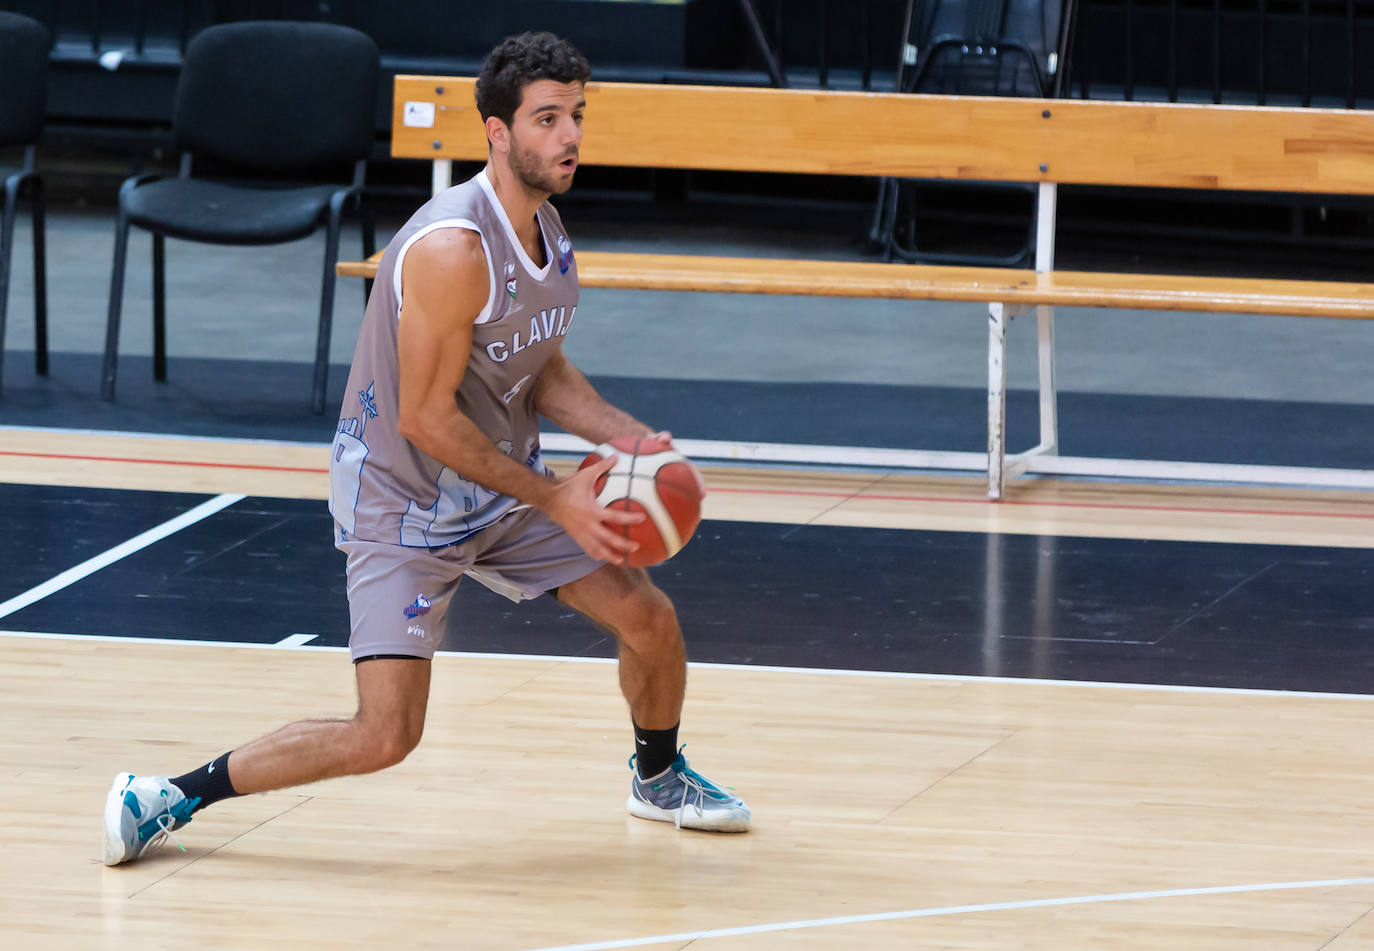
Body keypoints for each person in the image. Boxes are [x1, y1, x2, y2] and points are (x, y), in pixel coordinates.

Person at [101, 31, 749, 867]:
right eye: (547, 119)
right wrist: (556, 494)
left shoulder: (546, 228)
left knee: (649, 618)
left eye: (577, 115)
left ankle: (657, 777)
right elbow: (426, 421)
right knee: (386, 734)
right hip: (402, 500)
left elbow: (540, 369)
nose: (569, 136)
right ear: (497, 132)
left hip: (499, 486)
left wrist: (624, 439)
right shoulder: (454, 249)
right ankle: (169, 794)